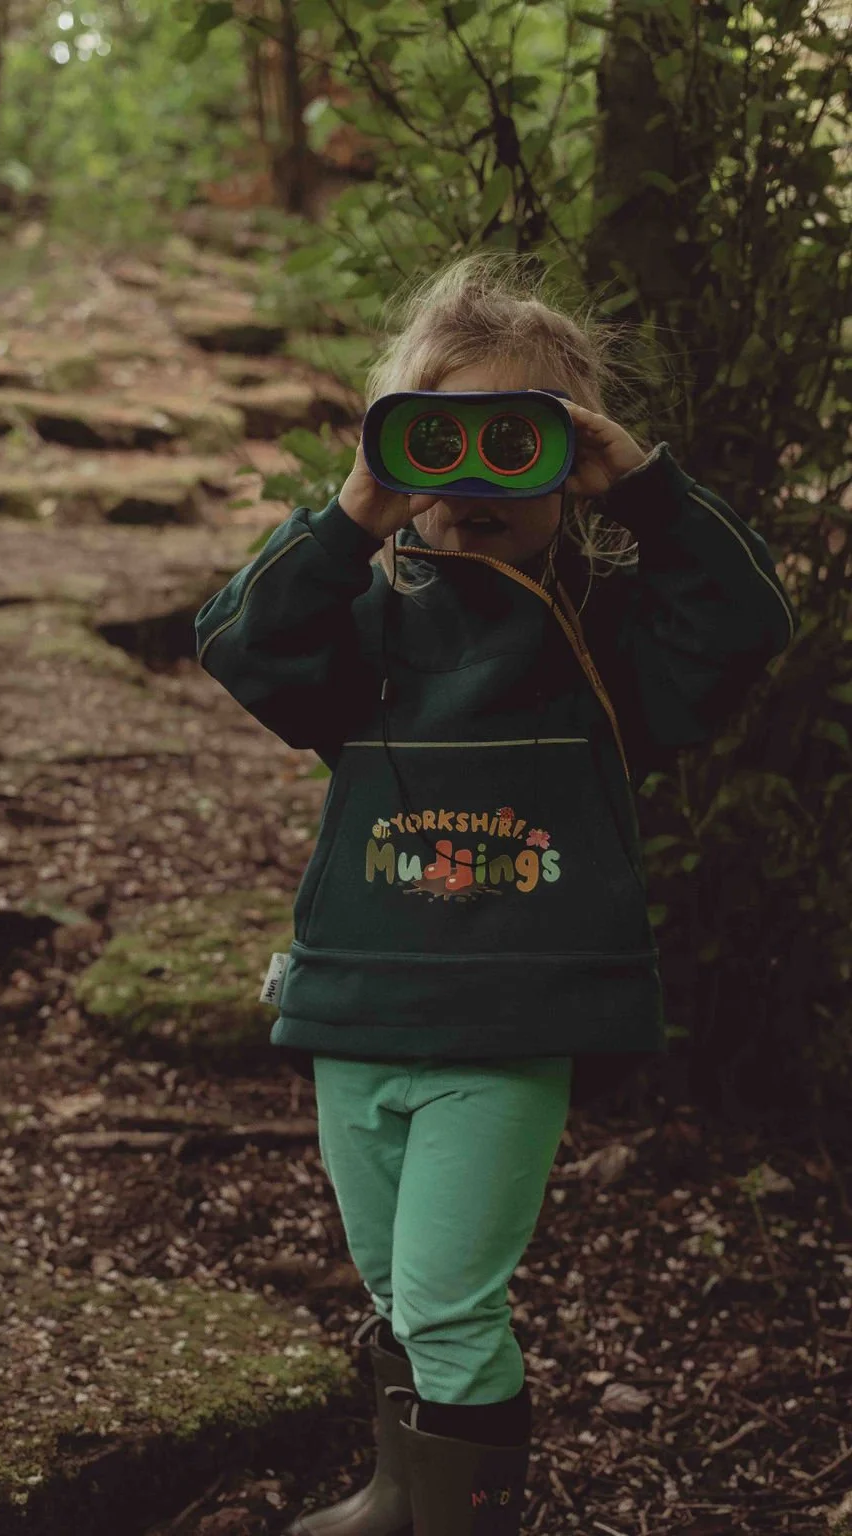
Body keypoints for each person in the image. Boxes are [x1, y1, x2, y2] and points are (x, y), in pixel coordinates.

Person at [194, 252, 798, 1536]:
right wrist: (355, 509)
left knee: (451, 1299)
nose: (471, 472)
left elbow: (746, 623)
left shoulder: (605, 626)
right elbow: (239, 644)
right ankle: (398, 1499)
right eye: (437, 434)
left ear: (564, 454)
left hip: (508, 1025)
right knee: (393, 1286)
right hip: (357, 1007)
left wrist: (637, 479)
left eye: (513, 436)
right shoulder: (364, 619)